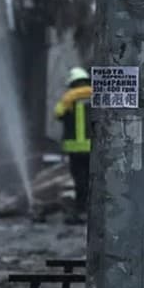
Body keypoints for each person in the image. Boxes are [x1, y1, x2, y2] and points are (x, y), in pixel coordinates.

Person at [54, 67, 93, 218]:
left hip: (75, 149)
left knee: (80, 179)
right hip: (94, 147)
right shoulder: (96, 94)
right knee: (94, 179)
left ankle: (81, 208)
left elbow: (57, 114)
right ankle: (93, 209)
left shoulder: (68, 98)